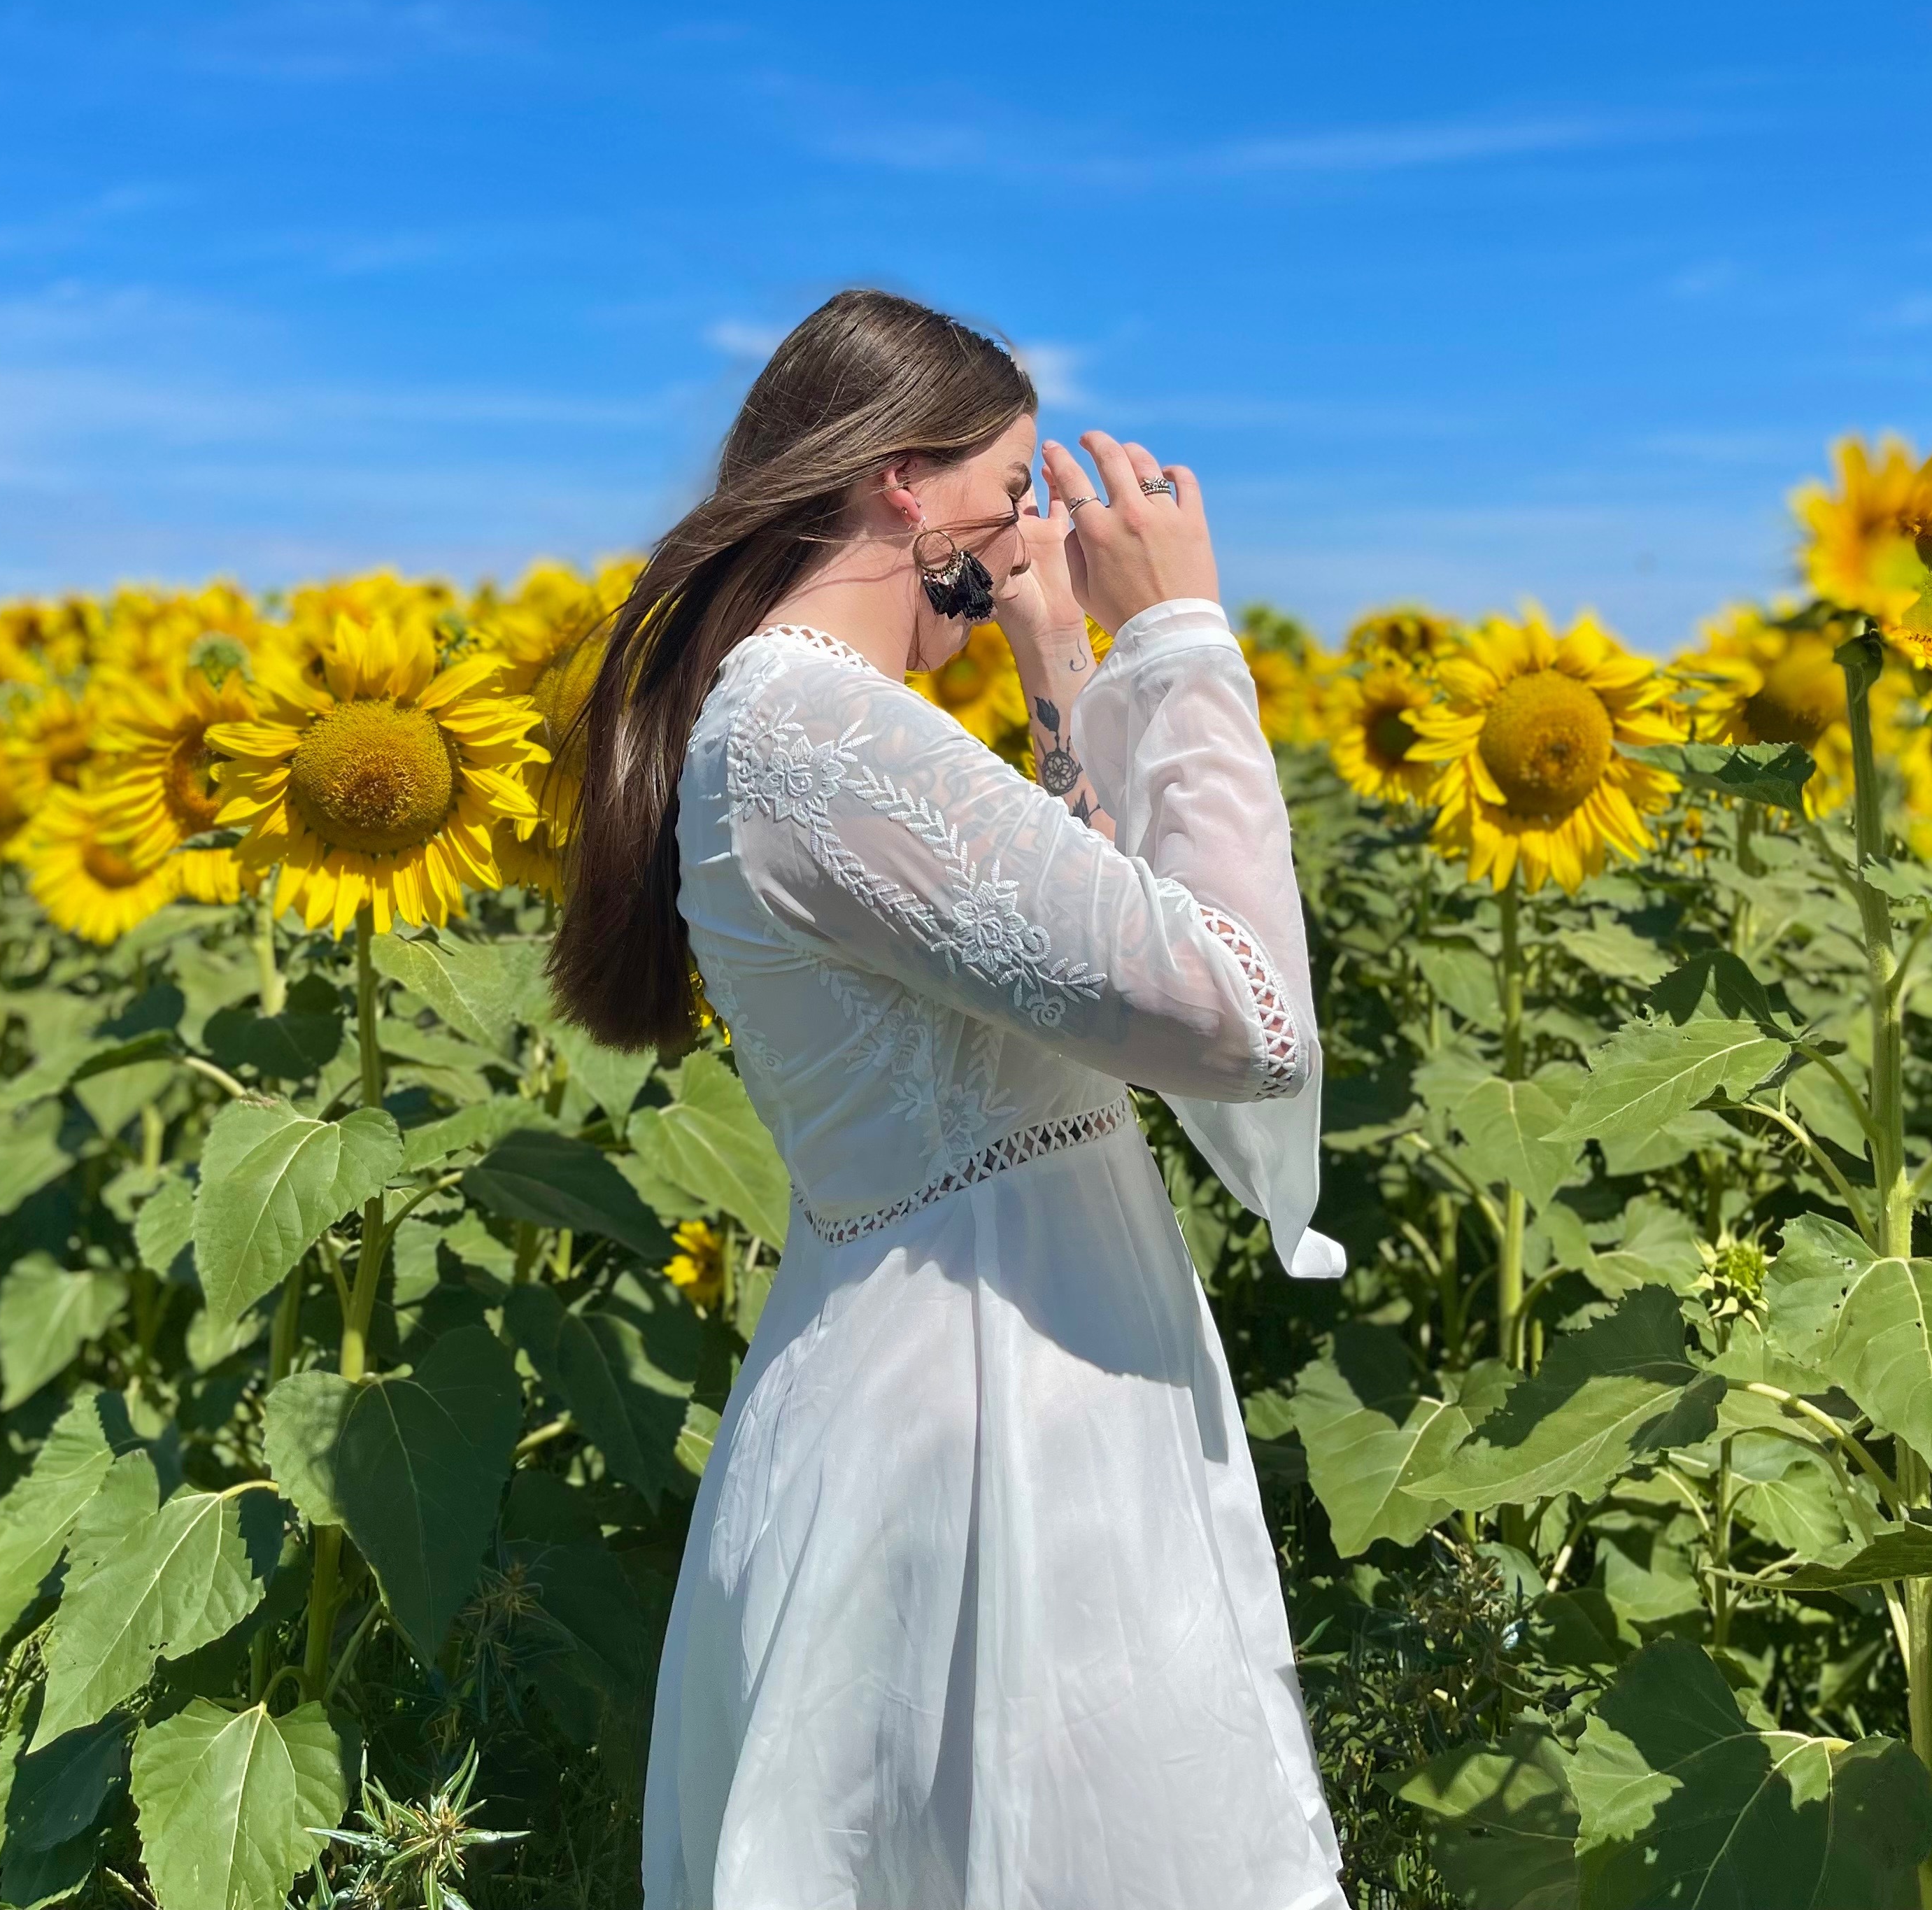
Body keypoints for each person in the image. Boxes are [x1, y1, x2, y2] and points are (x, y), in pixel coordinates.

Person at [553, 289, 1349, 1910]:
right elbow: (1242, 1017)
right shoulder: (817, 734)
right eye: (1011, 483)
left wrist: (1064, 665)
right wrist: (1185, 642)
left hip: (985, 1372)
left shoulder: (805, 729)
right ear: (904, 483)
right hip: (991, 1434)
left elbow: (1093, 965)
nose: (1021, 533)